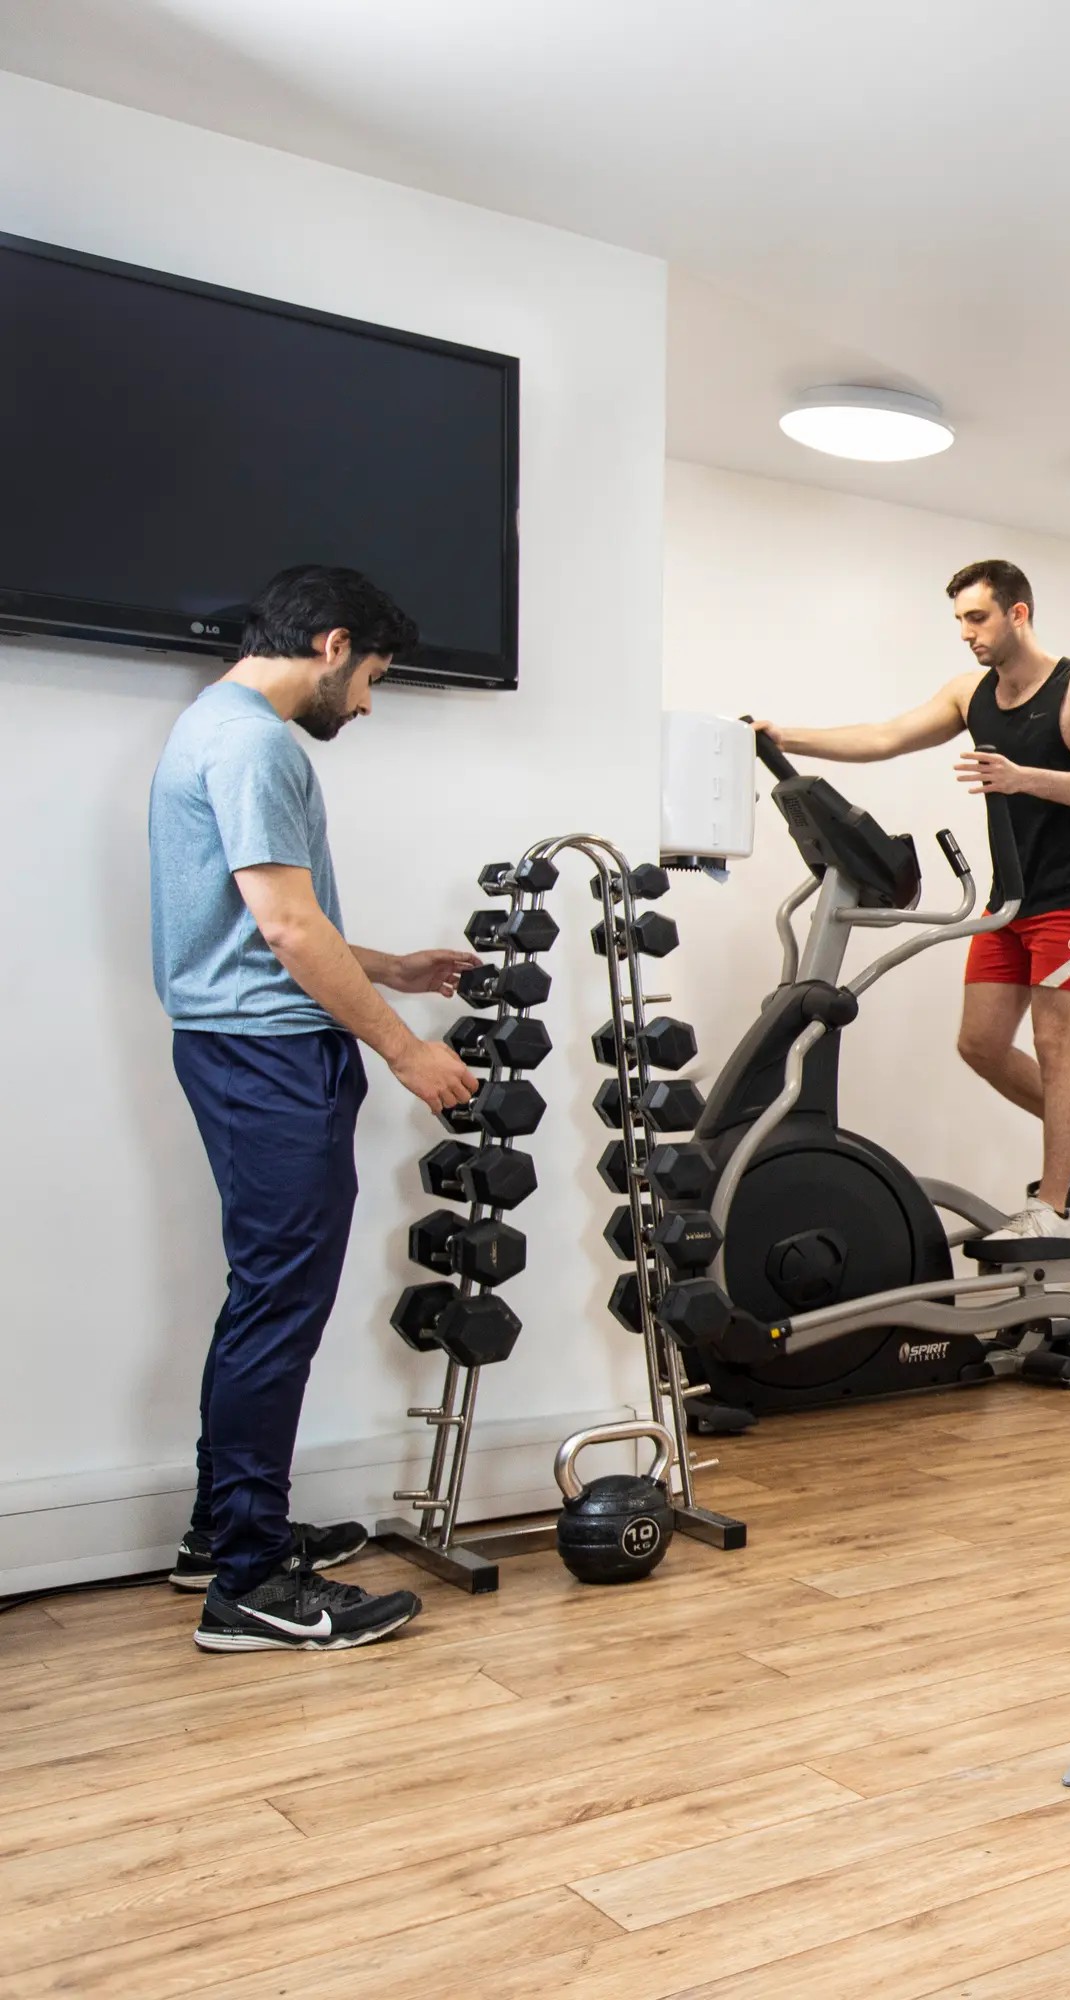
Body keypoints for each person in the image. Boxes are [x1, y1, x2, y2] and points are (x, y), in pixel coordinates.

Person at [149, 564, 480, 1652]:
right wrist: (404, 1050)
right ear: (334, 645)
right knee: (277, 1310)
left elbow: (273, 921)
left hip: (254, 1048)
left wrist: (391, 966)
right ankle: (246, 1582)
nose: (371, 702)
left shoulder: (216, 724)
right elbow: (285, 933)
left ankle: (223, 1530)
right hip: (267, 1059)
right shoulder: (253, 741)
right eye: (375, 676)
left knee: (265, 1299)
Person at [757, 558, 1070, 1231]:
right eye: (958, 620)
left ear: (1018, 613)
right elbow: (884, 737)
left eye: (977, 617)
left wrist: (1023, 778)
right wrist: (785, 736)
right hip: (1009, 898)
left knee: (1054, 1045)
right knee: (979, 1044)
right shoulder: (969, 693)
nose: (966, 633)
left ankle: (1053, 1204)